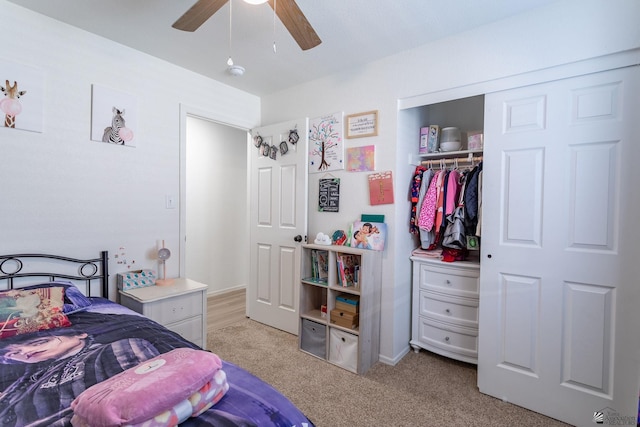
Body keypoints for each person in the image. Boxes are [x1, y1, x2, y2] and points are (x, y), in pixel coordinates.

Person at [0, 325, 160, 426]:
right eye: (14, 353)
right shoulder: (30, 380)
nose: (26, 353)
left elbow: (141, 402)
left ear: (80, 334)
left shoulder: (118, 348)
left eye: (38, 343)